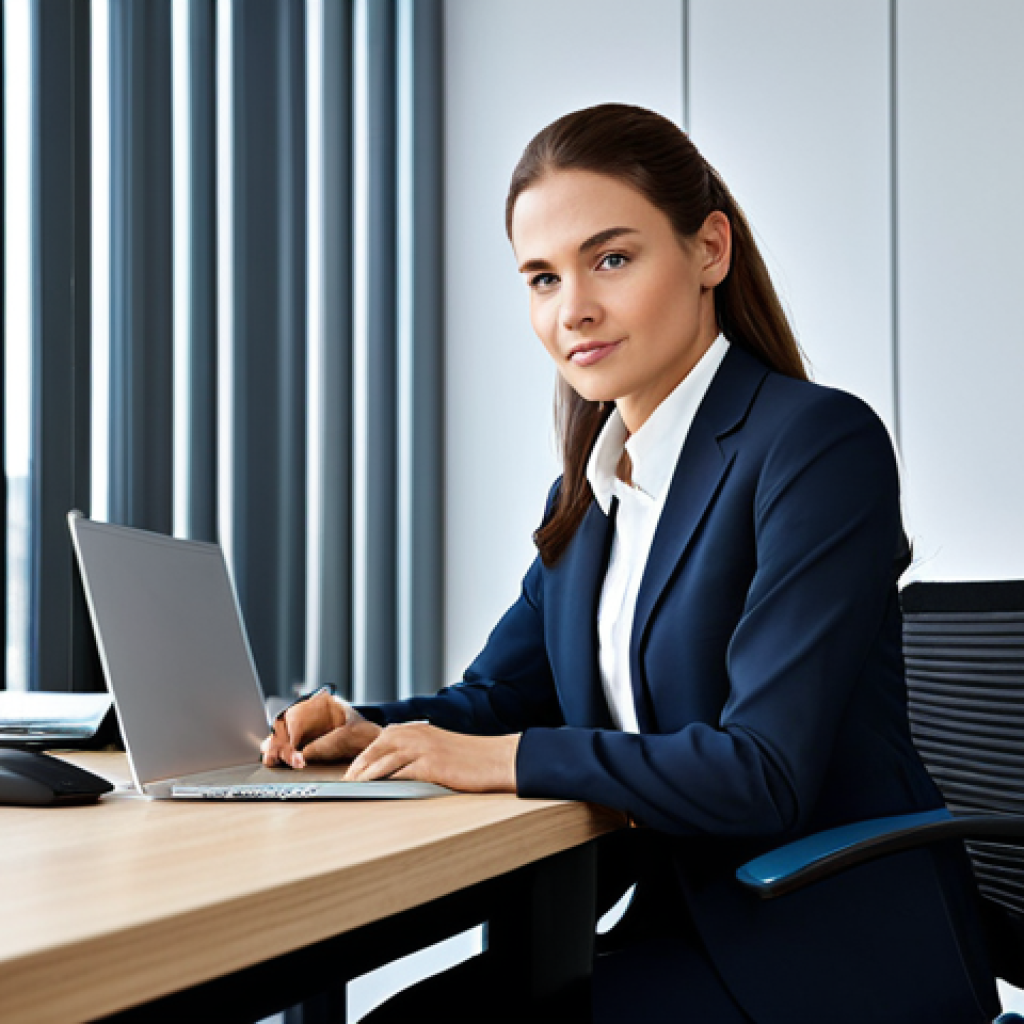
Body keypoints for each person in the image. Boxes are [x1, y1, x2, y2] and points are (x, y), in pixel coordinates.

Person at [262, 104, 1000, 1023]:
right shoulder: (592, 492)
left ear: (709, 251)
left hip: (819, 958)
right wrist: (367, 729)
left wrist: (501, 760)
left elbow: (760, 772)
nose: (572, 309)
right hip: (671, 925)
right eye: (541, 278)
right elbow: (496, 701)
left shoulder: (815, 446)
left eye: (610, 259)